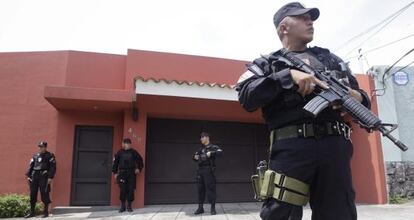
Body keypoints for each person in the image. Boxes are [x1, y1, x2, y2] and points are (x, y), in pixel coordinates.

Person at [236, 2, 371, 220]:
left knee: (339, 213)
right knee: (281, 213)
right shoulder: (266, 63)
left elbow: (362, 99)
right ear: (283, 28)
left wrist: (355, 97)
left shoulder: (331, 60)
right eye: (302, 17)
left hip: (335, 146)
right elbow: (246, 97)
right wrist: (287, 76)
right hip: (291, 148)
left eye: (311, 17)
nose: (310, 21)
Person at [192, 132, 223, 215]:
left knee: (211, 189)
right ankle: (200, 208)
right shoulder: (200, 149)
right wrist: (195, 157)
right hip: (200, 171)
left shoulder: (213, 147)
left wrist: (211, 153)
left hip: (209, 171)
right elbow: (194, 158)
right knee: (200, 189)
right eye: (200, 137)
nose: (201, 139)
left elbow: (220, 152)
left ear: (207, 137)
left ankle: (212, 208)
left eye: (202, 137)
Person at [25, 141, 56, 218]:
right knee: (33, 194)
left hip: (44, 176)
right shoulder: (35, 156)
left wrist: (50, 177)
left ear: (45, 147)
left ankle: (45, 212)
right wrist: (28, 176)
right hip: (35, 176)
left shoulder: (50, 155)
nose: (40, 148)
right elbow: (31, 166)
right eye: (39, 147)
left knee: (44, 193)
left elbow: (53, 167)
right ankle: (32, 212)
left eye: (42, 147)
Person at [112, 138, 144, 213]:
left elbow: (140, 160)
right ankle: (123, 206)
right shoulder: (119, 152)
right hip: (122, 173)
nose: (126, 145)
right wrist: (115, 173)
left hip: (131, 173)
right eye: (125, 143)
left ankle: (129, 206)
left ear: (129, 144)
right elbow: (115, 163)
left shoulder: (134, 152)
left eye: (127, 144)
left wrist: (139, 169)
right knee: (122, 190)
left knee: (130, 189)